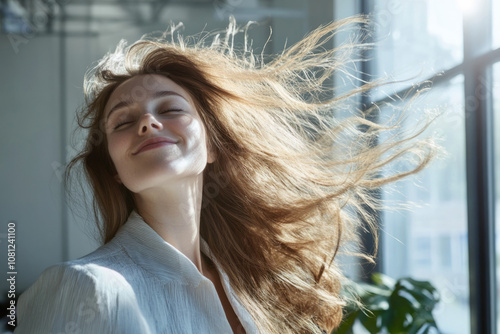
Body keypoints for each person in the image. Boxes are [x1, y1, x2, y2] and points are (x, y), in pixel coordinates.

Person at [15, 17, 435, 334]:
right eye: (122, 121)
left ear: (213, 146)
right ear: (115, 171)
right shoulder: (84, 287)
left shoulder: (250, 287)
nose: (147, 123)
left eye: (170, 109)